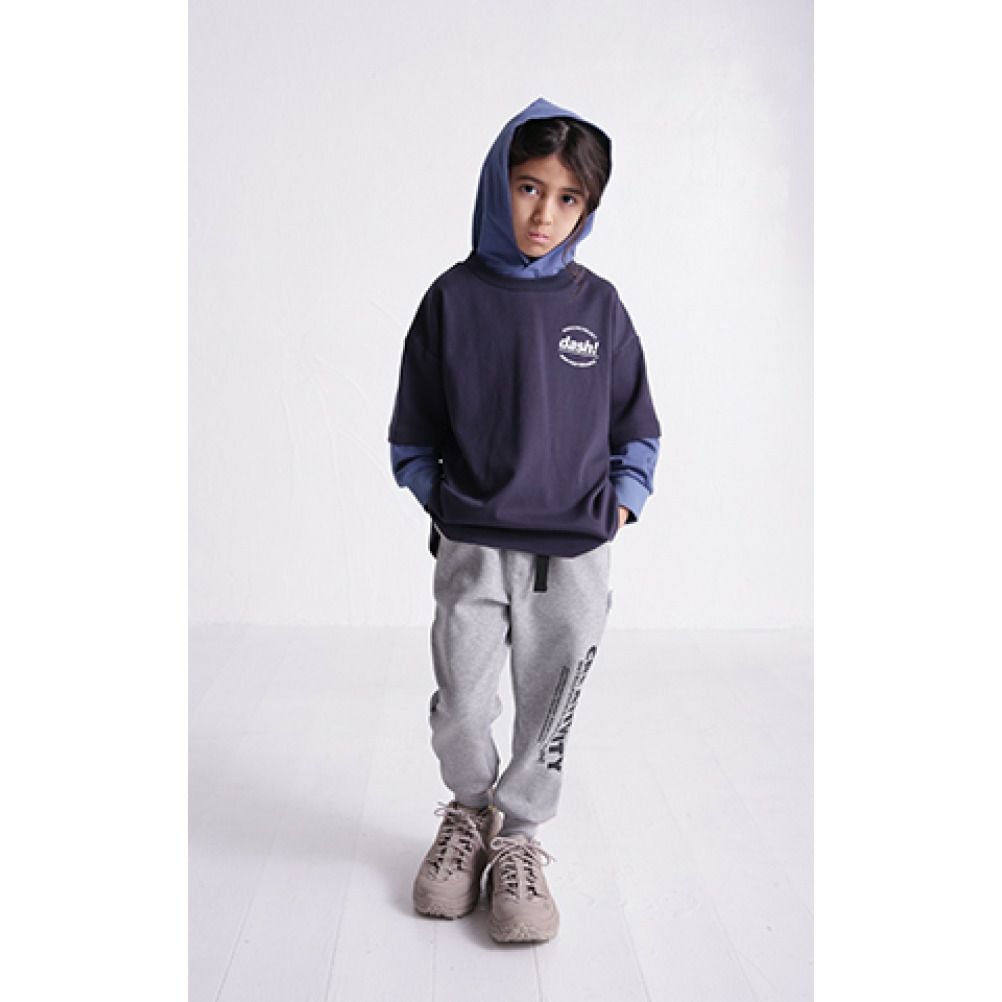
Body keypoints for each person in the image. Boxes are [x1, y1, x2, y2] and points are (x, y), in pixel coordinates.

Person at [387, 97, 661, 943]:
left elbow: (636, 426)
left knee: (548, 711)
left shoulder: (599, 306)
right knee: (461, 706)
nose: (545, 214)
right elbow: (413, 430)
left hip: (573, 555)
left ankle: (520, 839)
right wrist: (442, 499)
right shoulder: (452, 299)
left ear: (589, 208)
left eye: (568, 197)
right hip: (474, 545)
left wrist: (622, 500)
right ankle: (470, 815)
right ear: (496, 184)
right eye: (529, 187)